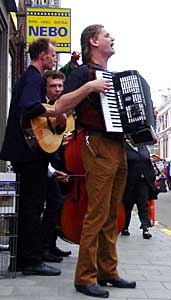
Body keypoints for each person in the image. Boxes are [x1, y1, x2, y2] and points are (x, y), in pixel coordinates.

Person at [53, 24, 136, 298]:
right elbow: (59, 106)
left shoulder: (113, 77)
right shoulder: (82, 73)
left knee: (113, 212)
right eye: (106, 35)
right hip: (96, 142)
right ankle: (85, 277)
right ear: (93, 41)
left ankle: (108, 271)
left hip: (117, 145)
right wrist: (88, 87)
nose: (112, 38)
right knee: (97, 212)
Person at [0, 38, 63, 276]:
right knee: (32, 206)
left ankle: (22, 259)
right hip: (28, 153)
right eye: (53, 54)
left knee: (29, 205)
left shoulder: (28, 77)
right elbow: (30, 106)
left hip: (24, 151)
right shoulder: (34, 78)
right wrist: (55, 110)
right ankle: (30, 260)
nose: (55, 58)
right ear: (42, 55)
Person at [40, 70, 71, 263]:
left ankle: (50, 245)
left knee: (57, 204)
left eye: (60, 86)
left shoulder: (63, 107)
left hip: (57, 161)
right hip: (44, 163)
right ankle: (43, 248)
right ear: (45, 87)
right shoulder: (43, 109)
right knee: (53, 203)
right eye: (53, 85)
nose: (58, 89)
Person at [121, 142, 156, 239]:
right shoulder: (124, 147)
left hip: (143, 182)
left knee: (143, 205)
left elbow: (149, 164)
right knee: (127, 205)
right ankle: (124, 227)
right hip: (129, 182)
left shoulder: (143, 147)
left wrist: (151, 177)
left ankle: (146, 228)